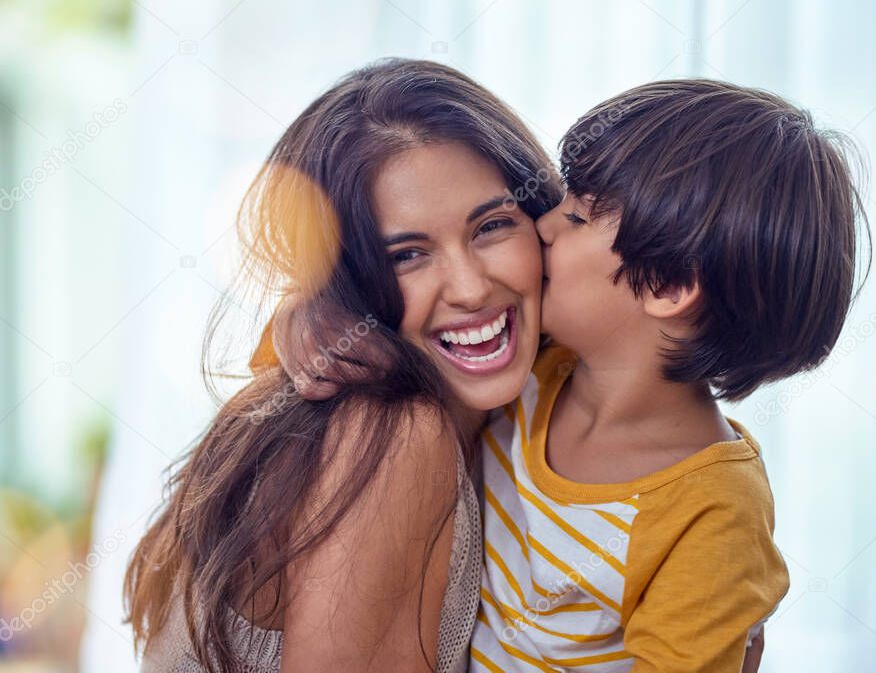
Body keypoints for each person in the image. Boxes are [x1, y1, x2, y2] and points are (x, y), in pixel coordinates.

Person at [123, 58, 563, 673]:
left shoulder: (515, 407)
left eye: (491, 226)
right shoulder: (393, 437)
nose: (469, 288)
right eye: (407, 255)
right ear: (345, 284)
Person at [468, 79, 869, 672]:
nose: (543, 224)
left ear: (667, 285)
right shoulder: (534, 362)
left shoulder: (712, 511)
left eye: (576, 216)